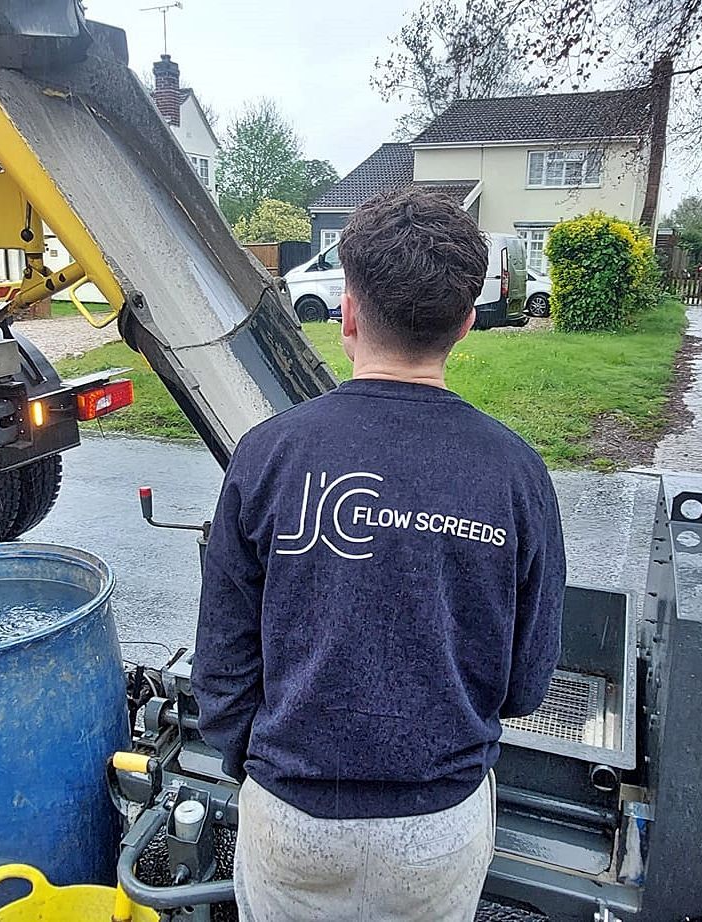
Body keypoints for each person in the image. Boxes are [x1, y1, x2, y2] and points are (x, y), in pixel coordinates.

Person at [193, 189, 565, 922]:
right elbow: (526, 683)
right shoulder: (517, 473)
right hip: (438, 826)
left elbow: (222, 660)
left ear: (348, 314)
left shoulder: (267, 454)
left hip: (290, 816)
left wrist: (262, 767)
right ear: (466, 323)